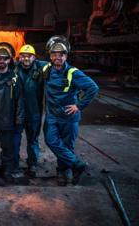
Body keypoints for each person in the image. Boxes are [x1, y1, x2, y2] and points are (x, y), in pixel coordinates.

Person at [43, 36, 99, 186]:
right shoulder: (46, 69)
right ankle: (77, 164)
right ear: (50, 56)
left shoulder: (73, 73)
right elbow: (29, 63)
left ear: (66, 56)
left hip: (69, 117)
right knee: (51, 140)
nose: (57, 57)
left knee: (67, 146)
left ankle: (63, 172)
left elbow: (93, 88)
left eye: (61, 54)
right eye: (54, 54)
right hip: (53, 116)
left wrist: (79, 106)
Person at [0, 42, 25, 183]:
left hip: (8, 120)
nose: (2, 61)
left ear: (9, 60)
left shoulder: (14, 78)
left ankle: (7, 170)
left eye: (5, 58)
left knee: (8, 149)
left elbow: (20, 100)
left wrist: (19, 119)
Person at [13, 44, 47, 177]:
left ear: (34, 57)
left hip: (34, 113)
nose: (26, 58)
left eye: (29, 56)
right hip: (17, 113)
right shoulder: (14, 68)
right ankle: (14, 162)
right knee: (15, 139)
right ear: (19, 57)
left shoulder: (41, 68)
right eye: (23, 56)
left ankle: (32, 163)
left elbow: (54, 64)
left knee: (33, 140)